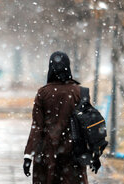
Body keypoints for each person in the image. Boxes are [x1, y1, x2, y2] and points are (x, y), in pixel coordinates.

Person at [23, 51, 100, 184]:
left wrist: (28, 155)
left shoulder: (43, 93)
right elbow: (89, 127)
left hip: (47, 154)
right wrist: (95, 154)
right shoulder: (80, 92)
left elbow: (37, 127)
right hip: (73, 154)